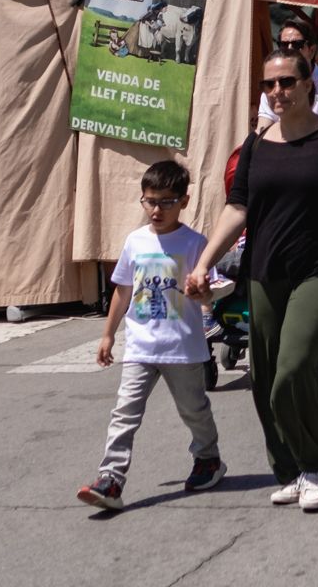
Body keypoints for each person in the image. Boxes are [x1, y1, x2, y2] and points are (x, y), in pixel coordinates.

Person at [187, 49, 318, 514]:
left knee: (293, 365)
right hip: (265, 271)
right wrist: (204, 263)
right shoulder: (256, 146)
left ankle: (314, 463)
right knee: (262, 376)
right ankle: (287, 469)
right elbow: (236, 209)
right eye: (269, 85)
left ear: (309, 85)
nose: (277, 92)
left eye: (286, 82)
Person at [77, 159, 224, 511]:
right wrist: (108, 334)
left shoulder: (194, 243)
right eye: (150, 201)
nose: (156, 210)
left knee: (194, 411)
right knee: (124, 414)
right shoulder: (135, 241)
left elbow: (210, 291)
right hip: (141, 347)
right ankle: (110, 480)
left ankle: (208, 459)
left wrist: (203, 294)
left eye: (166, 202)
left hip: (182, 349)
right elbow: (123, 290)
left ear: (183, 201)